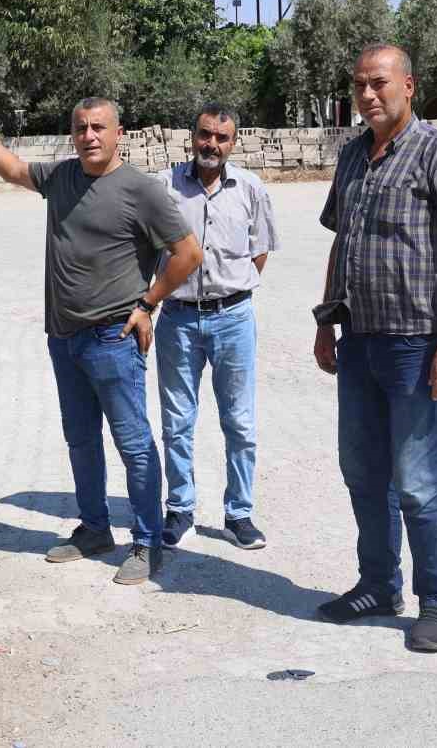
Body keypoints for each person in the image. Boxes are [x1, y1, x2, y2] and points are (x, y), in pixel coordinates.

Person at [0, 93, 203, 585]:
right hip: (65, 339)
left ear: (118, 132)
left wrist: (147, 304)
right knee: (81, 441)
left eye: (99, 127)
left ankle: (146, 543)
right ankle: (95, 529)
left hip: (113, 338)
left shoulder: (140, 190)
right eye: (81, 128)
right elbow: (12, 169)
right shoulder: (62, 178)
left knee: (134, 444)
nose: (89, 136)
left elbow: (188, 254)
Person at [311, 44, 437, 652]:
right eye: (360, 85)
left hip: (417, 346)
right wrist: (325, 320)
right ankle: (377, 584)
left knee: (418, 482)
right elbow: (342, 243)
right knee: (362, 473)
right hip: (359, 341)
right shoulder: (352, 155)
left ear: (408, 86)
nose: (368, 95)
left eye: (379, 83)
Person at [153, 103, 279, 552]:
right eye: (205, 135)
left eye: (221, 138)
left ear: (233, 142)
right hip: (179, 320)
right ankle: (180, 509)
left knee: (240, 421)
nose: (212, 145)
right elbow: (150, 251)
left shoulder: (250, 188)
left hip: (234, 318)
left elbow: (259, 252)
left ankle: (239, 514)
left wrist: (231, 288)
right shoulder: (164, 189)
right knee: (177, 420)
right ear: (192, 136)